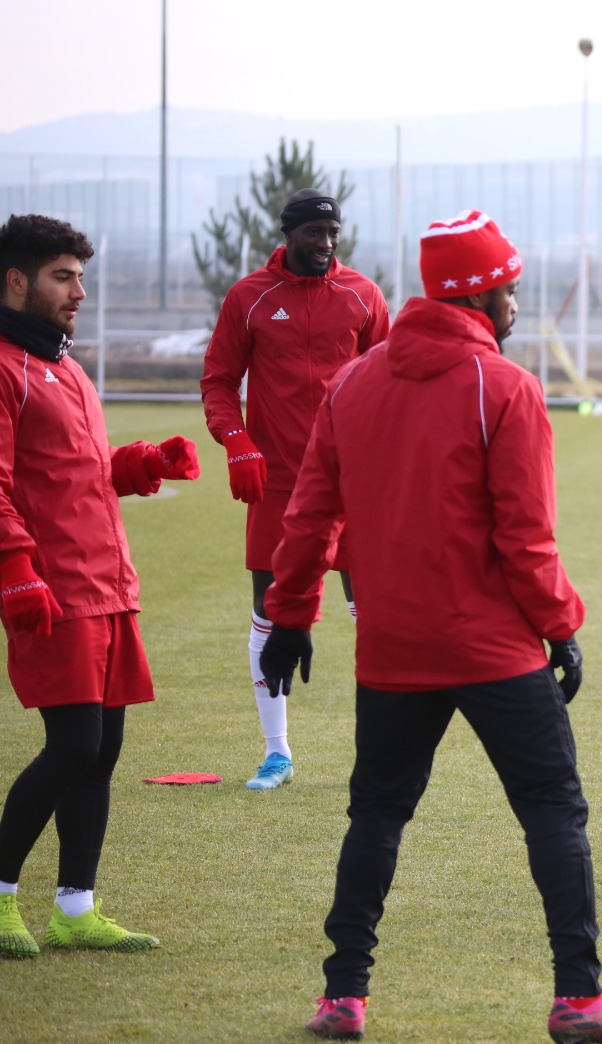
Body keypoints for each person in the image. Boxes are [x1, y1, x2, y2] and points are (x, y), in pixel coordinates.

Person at [258, 210, 602, 1044]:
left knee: (376, 815)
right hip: (494, 650)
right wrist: (562, 627)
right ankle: (579, 998)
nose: (516, 304)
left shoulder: (352, 383)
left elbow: (308, 518)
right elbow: (527, 539)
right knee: (554, 811)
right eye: (510, 290)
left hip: (392, 651)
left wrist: (291, 615)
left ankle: (342, 997)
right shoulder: (504, 387)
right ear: (478, 295)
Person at [0, 214, 200, 957]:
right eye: (62, 277)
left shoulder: (68, 369)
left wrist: (144, 464)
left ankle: (75, 909)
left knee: (103, 749)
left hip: (110, 585)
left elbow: (78, 473)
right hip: (53, 589)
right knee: (74, 745)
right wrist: (16, 572)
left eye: (80, 277)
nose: (79, 292)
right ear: (16, 281)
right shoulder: (5, 368)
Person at [200, 188, 389, 791]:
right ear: (289, 235)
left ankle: (382, 751)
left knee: (377, 616)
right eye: (314, 233)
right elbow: (219, 381)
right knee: (270, 611)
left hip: (352, 481)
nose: (326, 243)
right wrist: (237, 441)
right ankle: (276, 753)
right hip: (278, 482)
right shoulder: (249, 297)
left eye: (333, 233)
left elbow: (390, 380)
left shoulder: (363, 295)